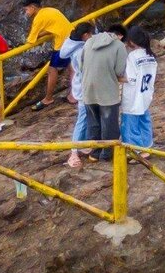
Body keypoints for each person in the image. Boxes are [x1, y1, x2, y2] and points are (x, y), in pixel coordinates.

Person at [79, 21, 127, 161]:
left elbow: (81, 66)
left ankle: (94, 153)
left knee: (93, 123)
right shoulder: (119, 45)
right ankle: (107, 154)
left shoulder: (89, 42)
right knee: (109, 123)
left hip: (88, 90)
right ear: (120, 36)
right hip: (107, 93)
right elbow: (119, 71)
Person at [24, 0, 72, 111]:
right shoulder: (50, 10)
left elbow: (30, 40)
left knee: (52, 70)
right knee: (73, 67)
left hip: (62, 44)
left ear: (32, 7)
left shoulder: (38, 19)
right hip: (71, 38)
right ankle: (73, 94)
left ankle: (48, 98)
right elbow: (52, 28)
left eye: (26, 9)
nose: (26, 12)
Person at [61, 22, 94, 169]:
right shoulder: (81, 51)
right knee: (82, 118)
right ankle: (73, 152)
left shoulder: (72, 45)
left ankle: (84, 144)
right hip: (84, 89)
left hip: (80, 86)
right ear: (86, 35)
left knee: (86, 117)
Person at [119, 32, 158, 149]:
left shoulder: (133, 56)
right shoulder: (151, 56)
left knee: (129, 125)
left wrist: (114, 77)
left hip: (133, 95)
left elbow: (130, 78)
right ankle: (147, 145)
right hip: (145, 94)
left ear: (132, 41)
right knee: (144, 120)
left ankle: (135, 150)